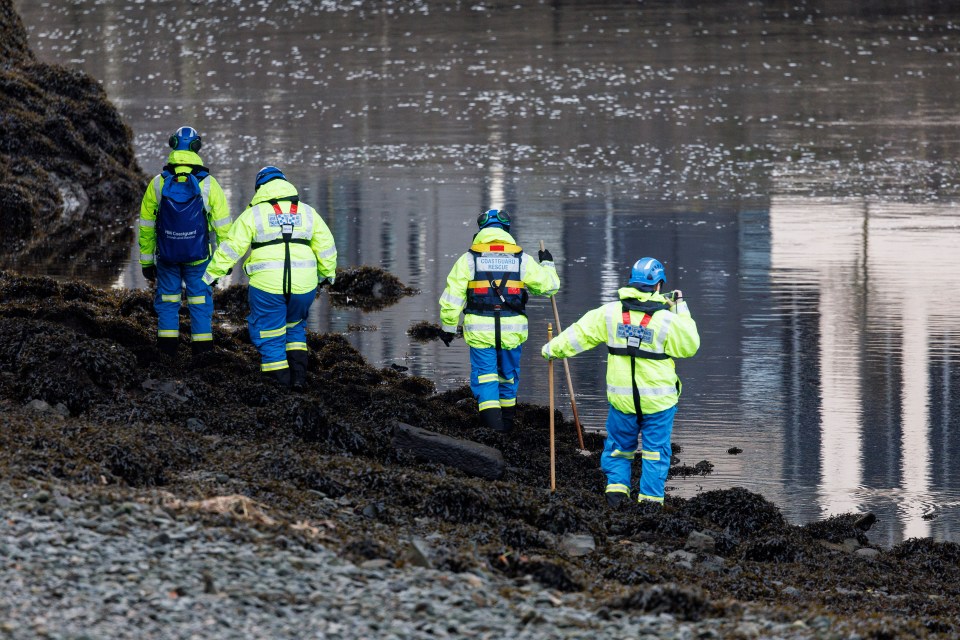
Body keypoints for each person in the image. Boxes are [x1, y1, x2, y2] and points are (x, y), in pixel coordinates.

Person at [541, 257, 700, 507]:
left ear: (631, 283)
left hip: (622, 401)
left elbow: (579, 334)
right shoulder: (668, 320)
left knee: (618, 449)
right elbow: (690, 345)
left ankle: (615, 497)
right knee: (655, 453)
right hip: (659, 403)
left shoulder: (610, 313)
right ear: (659, 285)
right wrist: (680, 307)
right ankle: (650, 506)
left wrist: (552, 349)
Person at [202, 166, 337, 389]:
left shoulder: (253, 214)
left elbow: (232, 247)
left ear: (260, 188)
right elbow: (327, 247)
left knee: (269, 333)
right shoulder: (307, 212)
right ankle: (299, 379)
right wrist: (325, 276)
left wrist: (212, 275)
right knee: (294, 326)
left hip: (267, 286)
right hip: (304, 285)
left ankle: (279, 385)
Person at [439, 209, 560, 432]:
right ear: (506, 231)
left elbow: (452, 298)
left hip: (479, 332)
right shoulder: (522, 260)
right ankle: (506, 428)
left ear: (481, 231)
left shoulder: (468, 260)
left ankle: (493, 434)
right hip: (512, 332)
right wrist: (548, 264)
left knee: (485, 379)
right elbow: (549, 286)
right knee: (507, 377)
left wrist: (447, 328)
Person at [138, 125, 232, 357]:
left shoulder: (158, 183)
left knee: (168, 302)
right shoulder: (209, 184)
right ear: (197, 147)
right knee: (200, 303)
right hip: (199, 257)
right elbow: (223, 228)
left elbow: (147, 227)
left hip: (167, 256)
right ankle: (203, 353)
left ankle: (167, 352)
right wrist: (224, 263)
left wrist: (146, 261)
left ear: (172, 144)